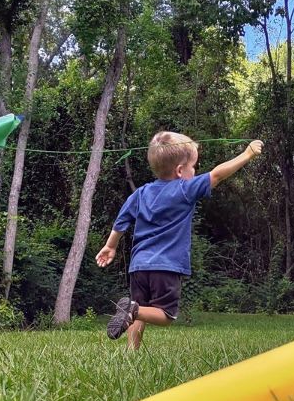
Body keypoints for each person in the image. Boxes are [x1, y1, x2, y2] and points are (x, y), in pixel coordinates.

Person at [96, 132, 263, 349]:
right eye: (193, 166)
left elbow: (121, 220)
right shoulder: (185, 189)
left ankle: (131, 351)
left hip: (138, 266)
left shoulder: (141, 193)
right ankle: (131, 310)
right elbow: (217, 175)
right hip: (166, 266)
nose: (195, 171)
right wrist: (247, 154)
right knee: (164, 315)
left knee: (139, 307)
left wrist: (111, 246)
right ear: (180, 171)